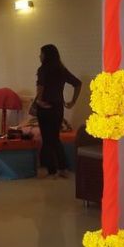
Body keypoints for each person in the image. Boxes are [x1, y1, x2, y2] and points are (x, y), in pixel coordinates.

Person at [35, 44, 81, 179]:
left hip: (45, 107)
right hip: (58, 108)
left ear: (46, 55)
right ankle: (63, 168)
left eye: (41, 53)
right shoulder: (61, 69)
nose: (39, 56)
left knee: (47, 139)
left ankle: (51, 170)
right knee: (55, 138)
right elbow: (78, 83)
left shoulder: (43, 69)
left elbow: (41, 87)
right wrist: (72, 102)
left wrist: (38, 101)